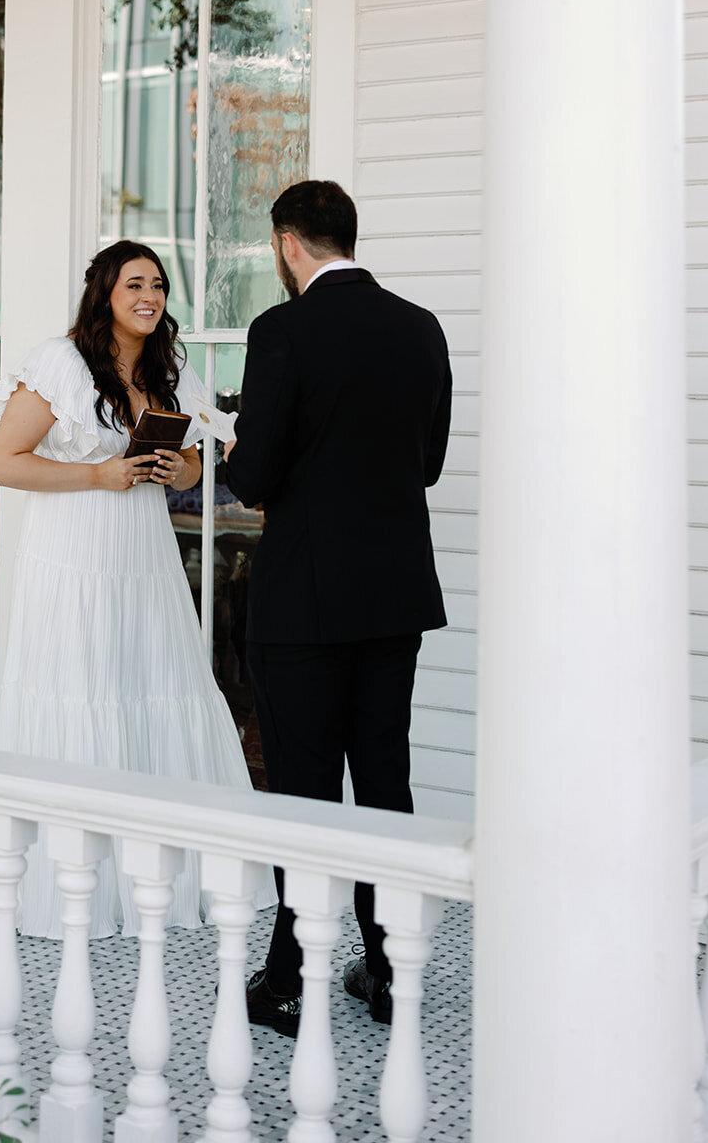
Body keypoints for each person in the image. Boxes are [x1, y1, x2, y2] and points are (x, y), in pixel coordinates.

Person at [0, 240, 270, 941]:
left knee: (149, 682)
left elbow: (193, 466)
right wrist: (98, 476)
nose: (149, 296)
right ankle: (72, 876)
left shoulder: (170, 368)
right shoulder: (61, 362)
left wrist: (176, 469)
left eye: (158, 285)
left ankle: (159, 867)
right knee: (83, 684)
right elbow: (3, 466)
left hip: (142, 554)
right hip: (73, 553)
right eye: (134, 284)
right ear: (104, 292)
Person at [224, 180, 451, 1035]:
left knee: (303, 794)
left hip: (303, 603)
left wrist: (238, 443)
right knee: (384, 785)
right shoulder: (419, 326)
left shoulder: (281, 330)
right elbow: (424, 462)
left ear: (288, 245)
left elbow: (254, 477)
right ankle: (390, 975)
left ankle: (287, 981)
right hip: (394, 595)